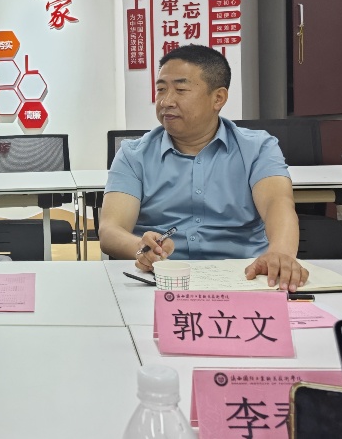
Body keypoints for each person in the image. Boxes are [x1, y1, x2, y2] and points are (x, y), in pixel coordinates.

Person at [99, 44, 308, 291]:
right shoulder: (134, 154)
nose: (166, 101)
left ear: (218, 98)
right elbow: (111, 230)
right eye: (161, 89)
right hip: (162, 279)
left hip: (246, 277)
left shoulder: (258, 148)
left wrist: (280, 254)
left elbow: (277, 203)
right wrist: (141, 249)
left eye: (181, 90)